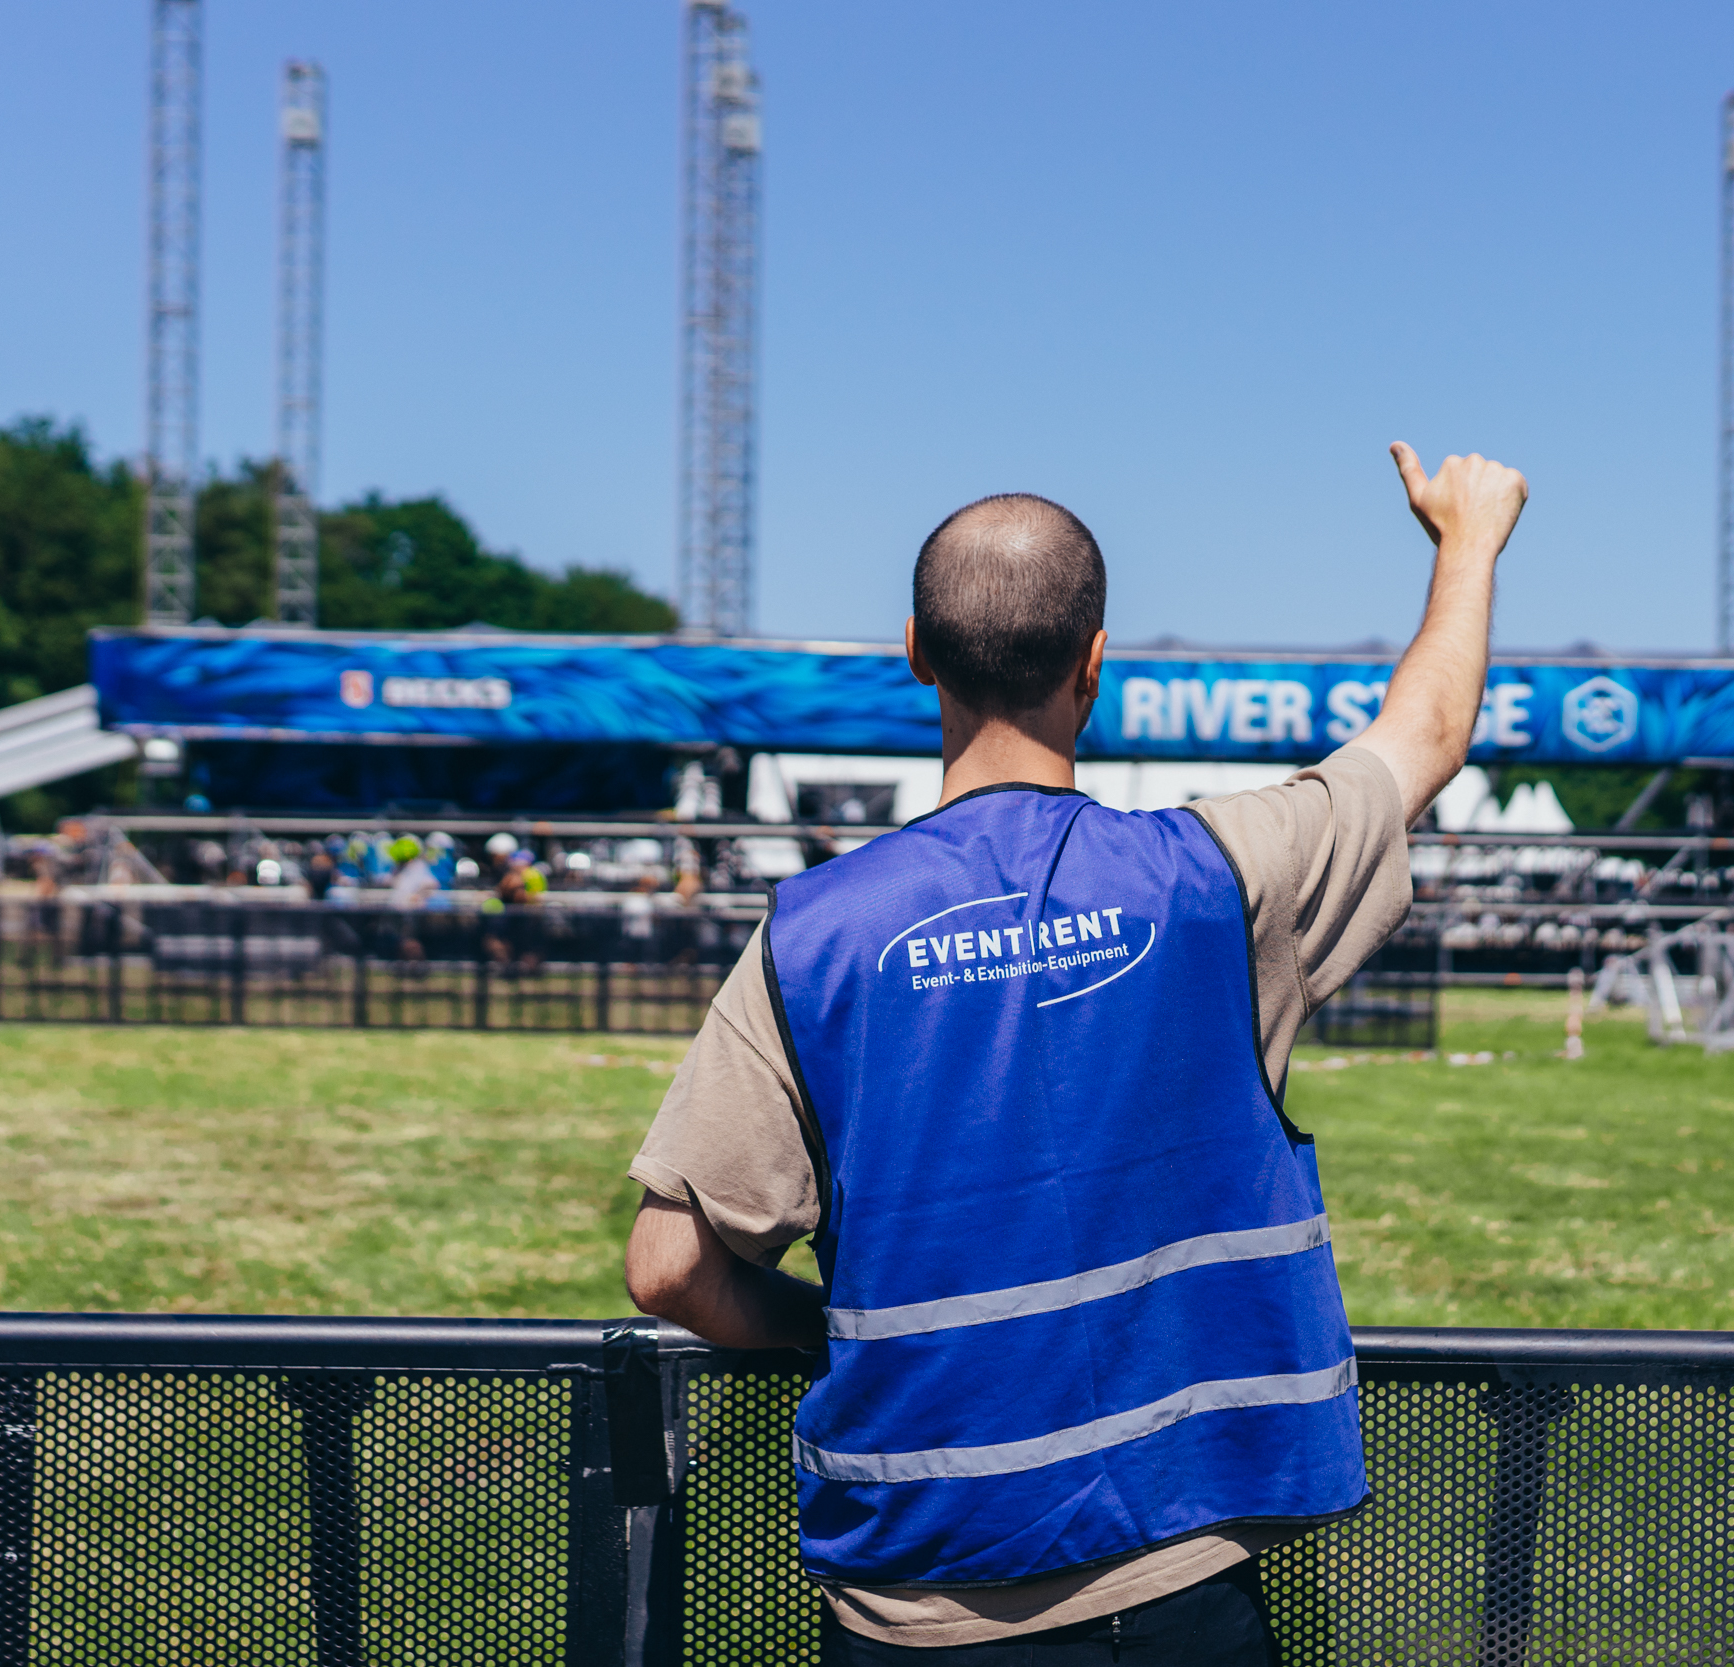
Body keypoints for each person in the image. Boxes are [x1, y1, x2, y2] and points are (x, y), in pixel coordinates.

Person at [624, 444, 1527, 1663]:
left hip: (916, 1607)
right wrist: (1467, 538)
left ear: (916, 652)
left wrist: (828, 1325)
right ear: (1094, 661)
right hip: (1181, 1583)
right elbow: (1424, 735)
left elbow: (669, 1265)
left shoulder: (813, 935)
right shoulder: (1220, 877)